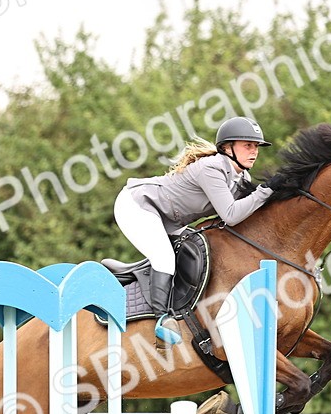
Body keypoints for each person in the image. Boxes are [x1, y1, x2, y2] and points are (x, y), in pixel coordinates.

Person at [114, 116, 276, 344]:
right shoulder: (211, 168)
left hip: (168, 219)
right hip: (137, 205)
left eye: (256, 146)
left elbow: (246, 212)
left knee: (196, 251)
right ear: (227, 148)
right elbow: (231, 215)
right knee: (164, 258)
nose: (254, 151)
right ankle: (162, 320)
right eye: (248, 145)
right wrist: (265, 191)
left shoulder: (240, 176)